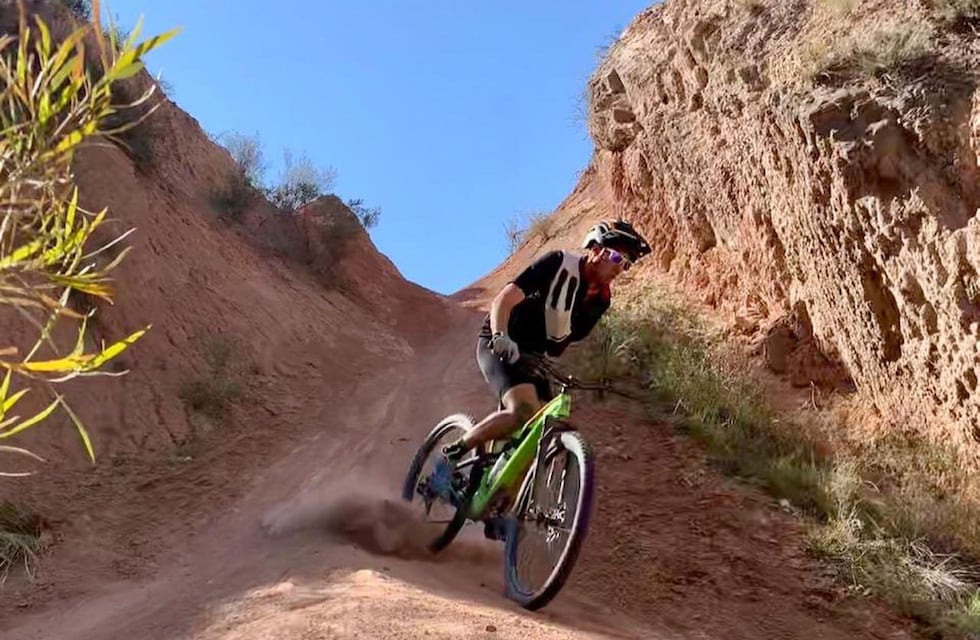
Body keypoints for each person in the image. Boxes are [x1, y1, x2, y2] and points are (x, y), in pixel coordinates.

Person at [432, 219, 652, 488]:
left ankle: (503, 503)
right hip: (500, 339)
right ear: (595, 249)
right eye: (617, 256)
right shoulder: (557, 263)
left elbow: (562, 342)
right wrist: (501, 335)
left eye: (626, 263)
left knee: (543, 430)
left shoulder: (600, 300)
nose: (620, 267)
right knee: (523, 411)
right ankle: (451, 456)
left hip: (533, 355)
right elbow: (505, 298)